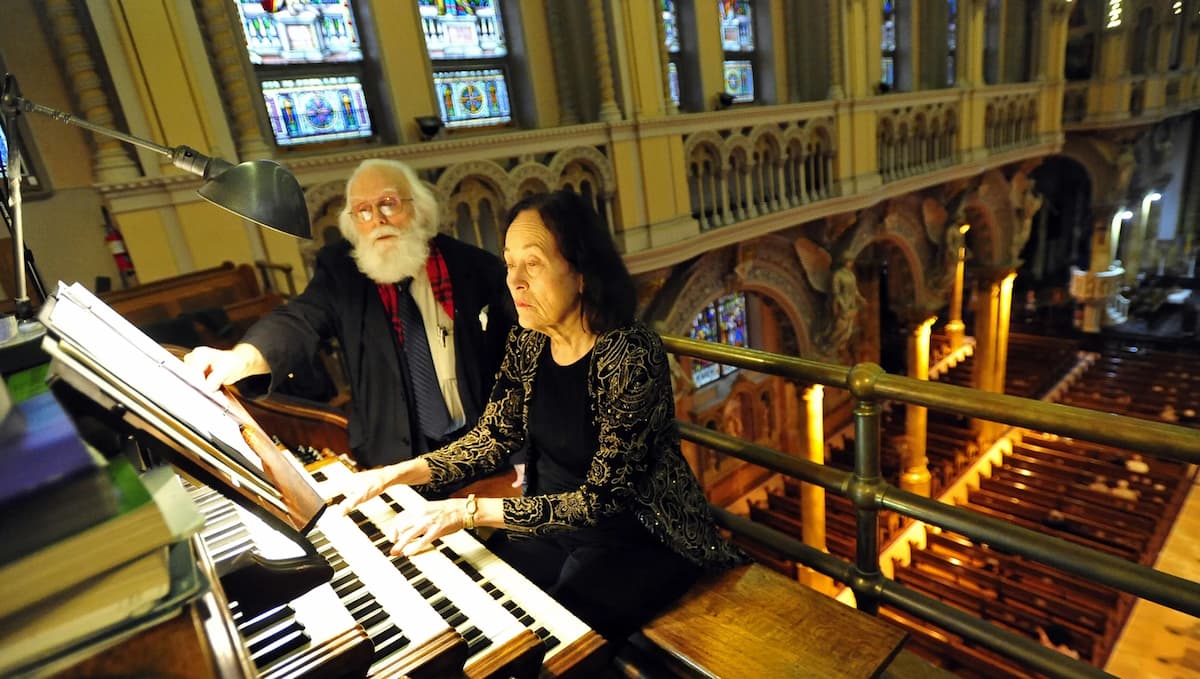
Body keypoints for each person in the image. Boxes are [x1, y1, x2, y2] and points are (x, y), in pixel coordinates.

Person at [335, 189, 748, 643]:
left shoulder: (629, 353)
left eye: (532, 263)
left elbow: (601, 500)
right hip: (549, 525)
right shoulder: (529, 341)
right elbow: (491, 437)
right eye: (509, 263)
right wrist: (393, 475)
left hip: (635, 539)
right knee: (478, 615)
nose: (514, 281)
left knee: (546, 648)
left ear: (582, 272)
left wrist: (468, 510)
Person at [184, 159, 515, 470]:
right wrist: (240, 359)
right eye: (364, 211)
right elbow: (297, 321)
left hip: (479, 447)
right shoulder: (340, 272)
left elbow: (520, 364)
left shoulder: (476, 267)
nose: (378, 220)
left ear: (418, 208)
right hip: (392, 456)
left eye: (389, 203)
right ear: (353, 224)